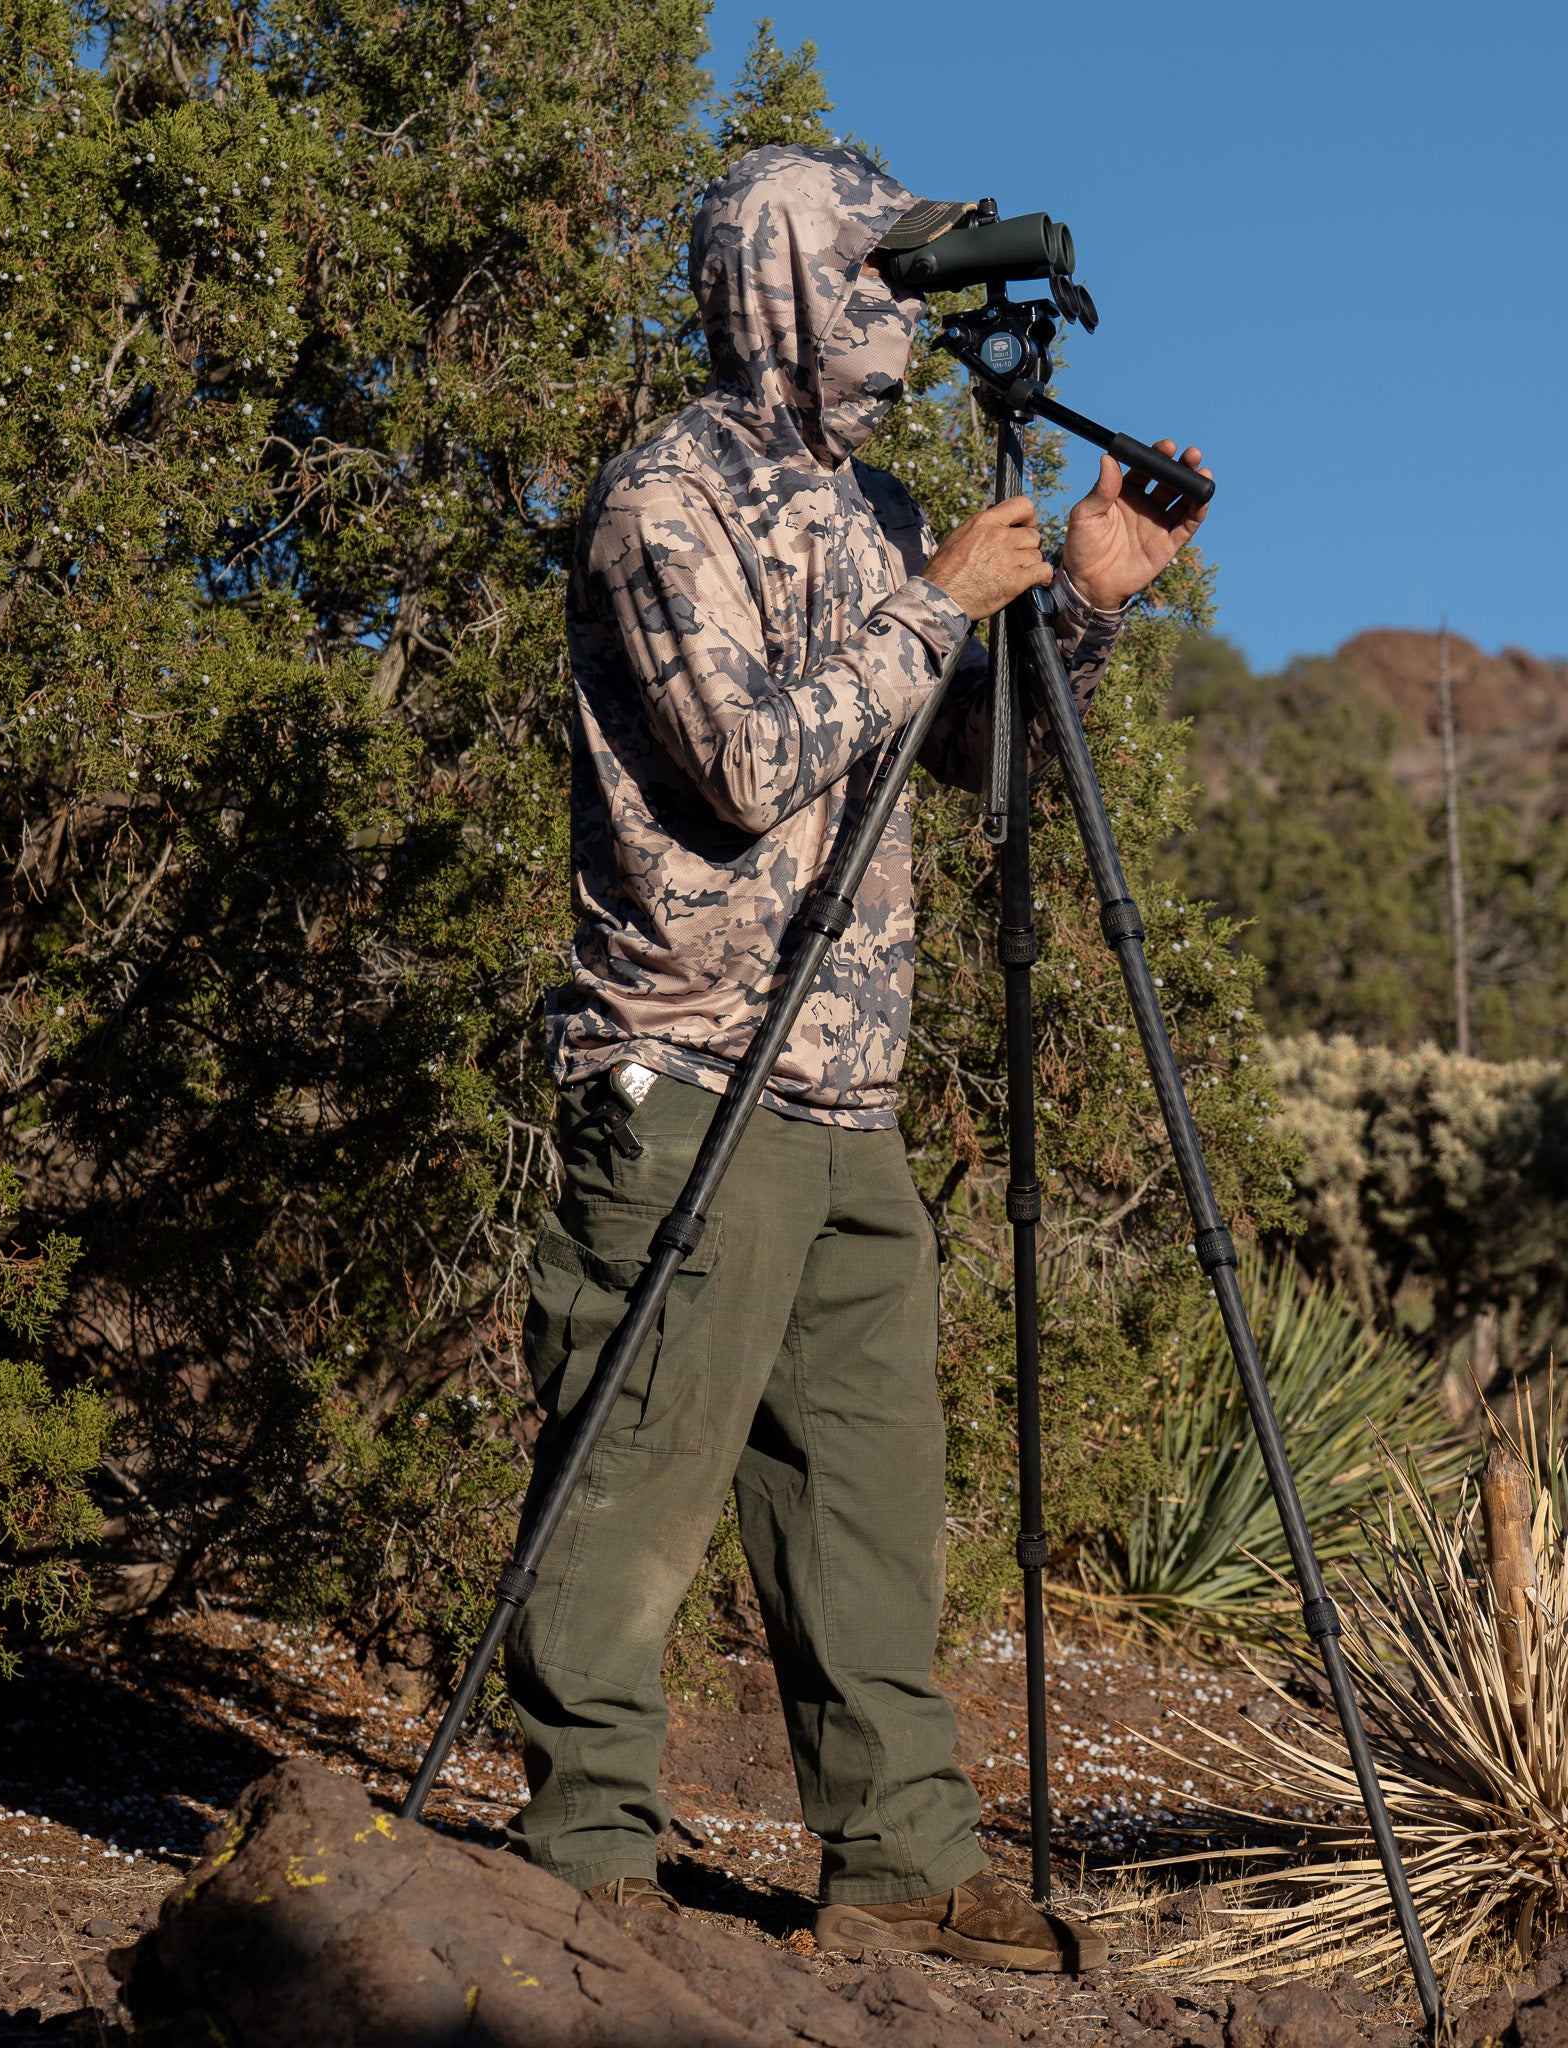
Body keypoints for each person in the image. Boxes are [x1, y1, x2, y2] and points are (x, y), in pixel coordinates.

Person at [504, 143, 1208, 1973]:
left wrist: (1079, 603)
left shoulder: (893, 507)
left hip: (846, 1084)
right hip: (686, 1064)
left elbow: (952, 762)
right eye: (878, 275)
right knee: (636, 1469)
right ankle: (586, 1863)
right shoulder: (670, 497)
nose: (904, 311)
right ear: (788, 285)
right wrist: (934, 607)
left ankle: (897, 1869)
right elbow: (744, 764)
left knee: (867, 1494)